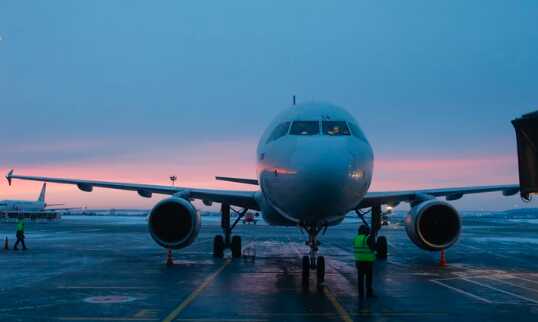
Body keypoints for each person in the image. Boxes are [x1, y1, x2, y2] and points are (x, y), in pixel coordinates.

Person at [353, 224, 376, 299]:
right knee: (368, 278)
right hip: (367, 262)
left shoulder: (356, 238)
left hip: (358, 261)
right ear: (366, 231)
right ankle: (369, 293)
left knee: (360, 278)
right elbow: (374, 248)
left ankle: (361, 294)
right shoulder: (367, 238)